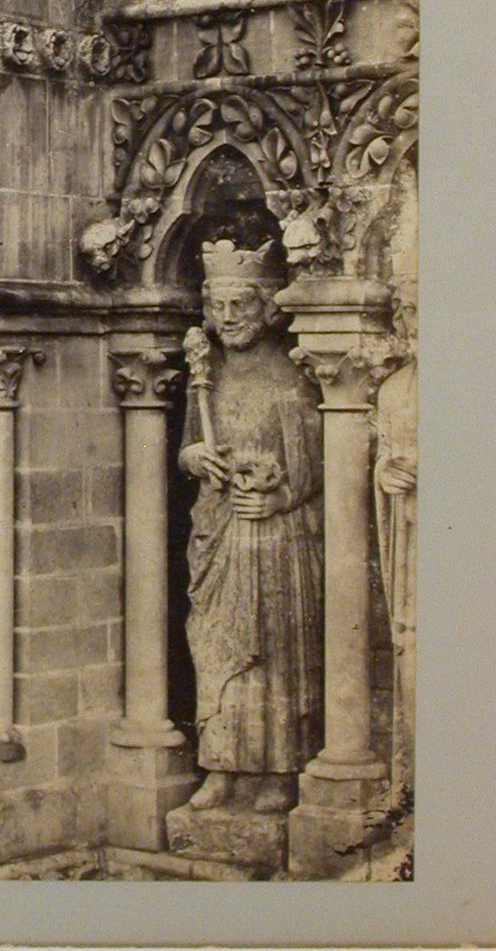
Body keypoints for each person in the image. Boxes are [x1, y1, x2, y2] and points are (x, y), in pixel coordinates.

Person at [179, 237, 323, 815]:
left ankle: (279, 771)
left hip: (275, 540)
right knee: (217, 646)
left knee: (274, 654)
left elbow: (321, 468)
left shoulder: (292, 378)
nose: (228, 316)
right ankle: (220, 767)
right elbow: (189, 444)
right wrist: (196, 458)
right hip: (219, 533)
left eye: (240, 304)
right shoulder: (206, 378)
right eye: (218, 306)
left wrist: (282, 496)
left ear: (267, 306)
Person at [375, 273, 417, 791]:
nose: (415, 323)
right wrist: (385, 473)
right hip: (412, 542)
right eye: (408, 313)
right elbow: (384, 458)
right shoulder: (395, 391)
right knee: (412, 642)